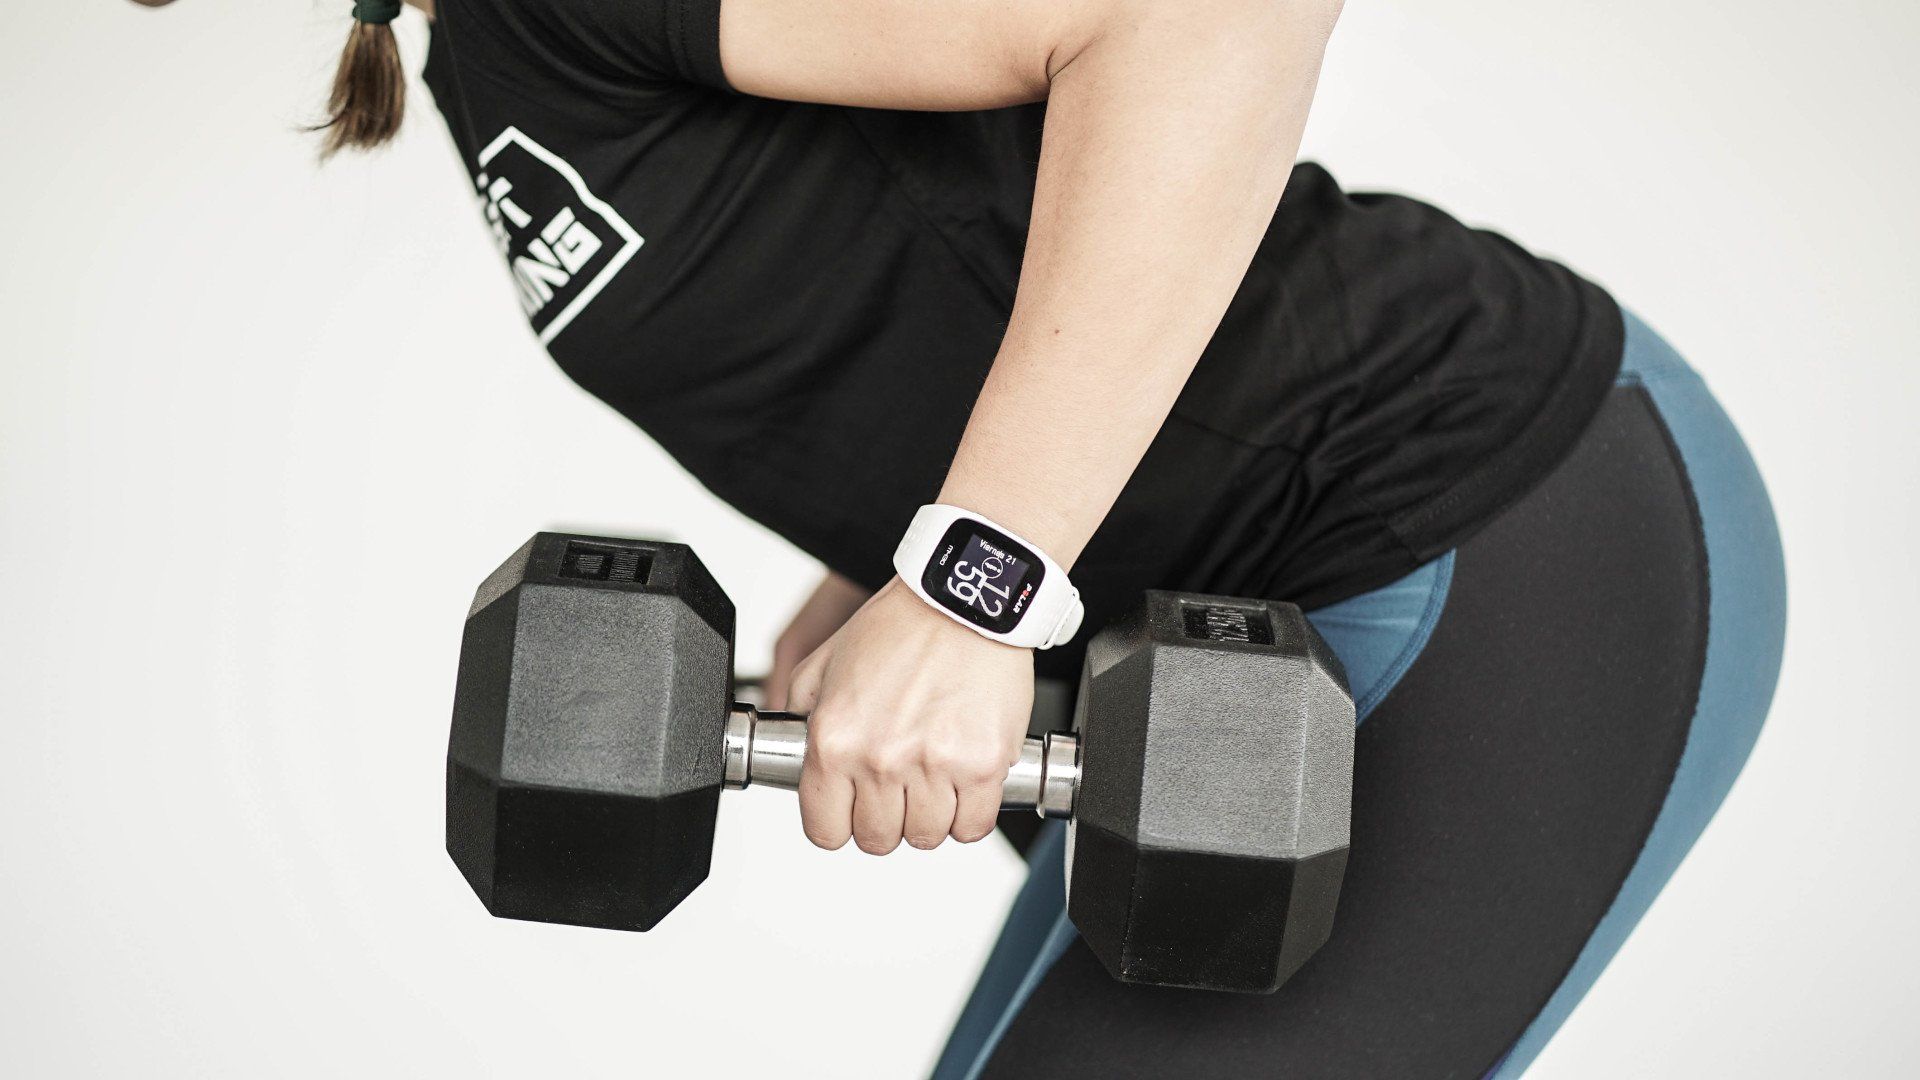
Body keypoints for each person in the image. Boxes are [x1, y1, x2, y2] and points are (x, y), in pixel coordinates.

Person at [147, 0, 1790, 1073]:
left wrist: (971, 582)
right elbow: (922, 230)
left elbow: (1200, 14)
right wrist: (892, 564)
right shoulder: (476, 47)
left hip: (1487, 529)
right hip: (1214, 681)